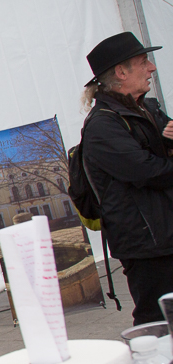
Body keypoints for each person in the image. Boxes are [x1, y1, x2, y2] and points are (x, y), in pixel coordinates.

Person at [80, 31, 173, 326]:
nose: (152, 68)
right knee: (156, 322)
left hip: (165, 235)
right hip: (146, 246)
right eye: (143, 61)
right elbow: (148, 171)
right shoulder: (102, 126)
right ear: (121, 72)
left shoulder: (146, 108)